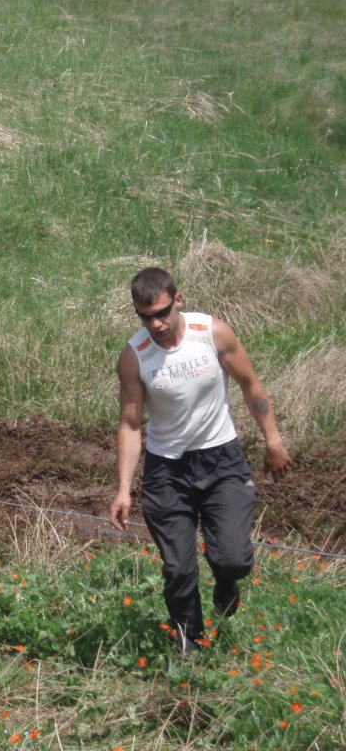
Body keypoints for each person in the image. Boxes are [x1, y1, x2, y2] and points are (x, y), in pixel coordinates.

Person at [108, 267, 291, 654]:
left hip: (221, 459)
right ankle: (189, 642)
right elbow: (130, 424)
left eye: (162, 313)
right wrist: (124, 488)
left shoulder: (212, 333)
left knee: (233, 558)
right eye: (145, 317)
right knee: (178, 567)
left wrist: (273, 439)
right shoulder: (134, 357)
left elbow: (250, 385)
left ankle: (226, 579)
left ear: (178, 300)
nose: (156, 324)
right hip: (167, 470)